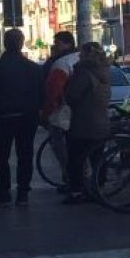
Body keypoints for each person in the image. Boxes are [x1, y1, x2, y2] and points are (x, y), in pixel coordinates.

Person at [0, 29, 43, 206]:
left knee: (0, 155)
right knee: (25, 154)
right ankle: (22, 193)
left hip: (0, 118)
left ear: (5, 43)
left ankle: (4, 190)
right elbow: (41, 95)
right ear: (21, 43)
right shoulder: (34, 69)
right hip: (27, 118)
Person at [63, 42, 111, 205]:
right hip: (101, 122)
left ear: (85, 54)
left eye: (81, 53)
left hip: (83, 123)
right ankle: (98, 189)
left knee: (76, 159)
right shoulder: (104, 71)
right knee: (97, 158)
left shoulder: (83, 72)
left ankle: (77, 191)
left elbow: (72, 95)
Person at [41, 31, 80, 194]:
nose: (54, 45)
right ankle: (79, 180)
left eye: (57, 42)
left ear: (67, 44)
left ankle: (72, 179)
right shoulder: (80, 59)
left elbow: (53, 91)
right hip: (81, 110)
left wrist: (45, 112)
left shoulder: (61, 63)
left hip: (62, 110)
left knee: (60, 145)